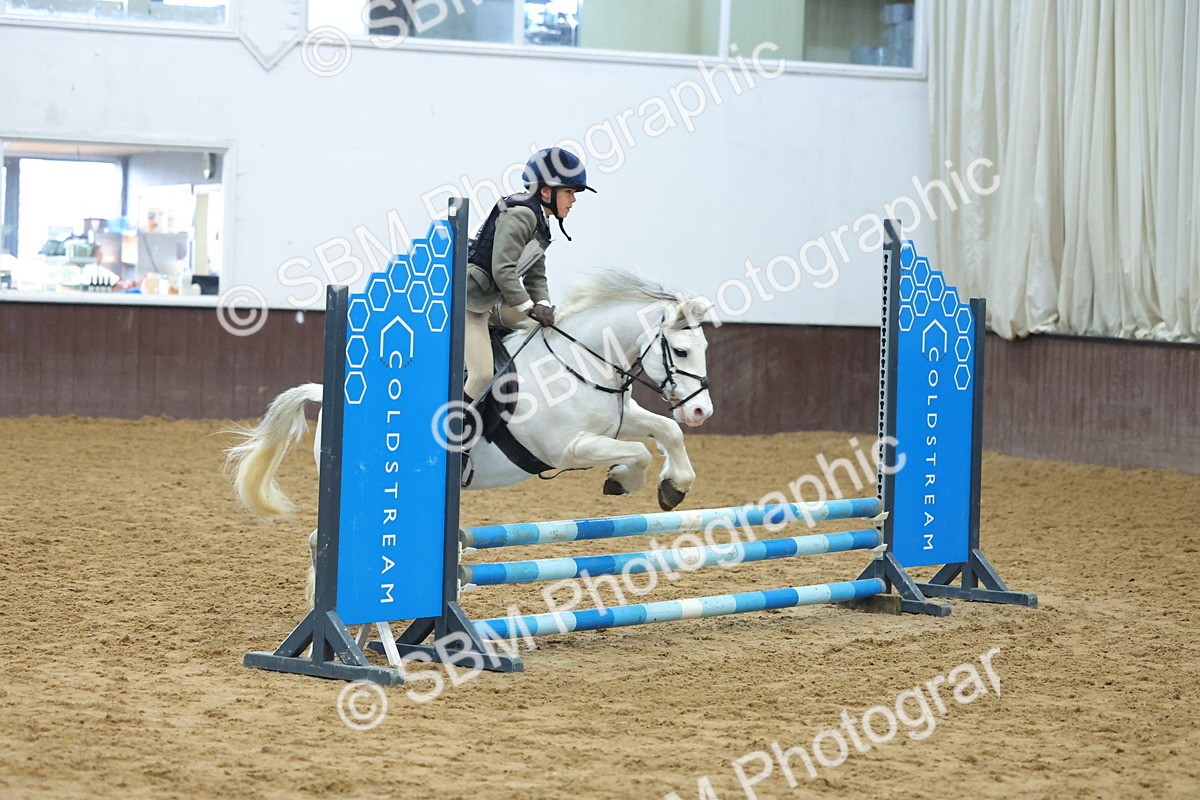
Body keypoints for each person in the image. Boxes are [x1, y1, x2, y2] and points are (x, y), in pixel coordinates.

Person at [463, 147, 596, 402]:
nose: (573, 200)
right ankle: (453, 431)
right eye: (569, 192)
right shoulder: (521, 215)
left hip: (496, 301)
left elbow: (536, 276)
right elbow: (503, 271)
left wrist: (544, 306)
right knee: (481, 374)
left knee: (552, 331)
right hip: (472, 303)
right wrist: (529, 308)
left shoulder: (540, 222)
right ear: (546, 191)